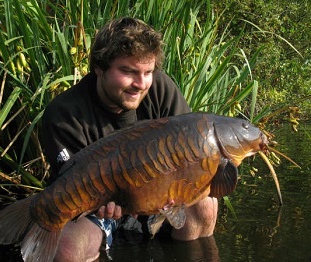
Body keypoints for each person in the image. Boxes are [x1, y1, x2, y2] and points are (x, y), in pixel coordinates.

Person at [41, 17, 218, 262]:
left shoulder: (161, 90)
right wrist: (103, 203)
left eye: (148, 72)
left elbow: (188, 160)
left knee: (205, 206)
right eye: (128, 71)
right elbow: (73, 185)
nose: (141, 83)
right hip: (97, 210)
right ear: (99, 68)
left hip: (158, 199)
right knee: (68, 248)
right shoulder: (63, 115)